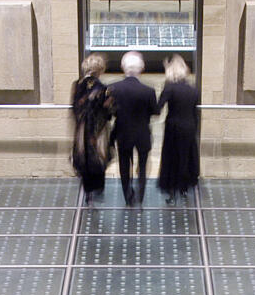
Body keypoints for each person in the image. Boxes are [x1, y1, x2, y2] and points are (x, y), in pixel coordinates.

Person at [106, 50, 159, 206]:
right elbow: (155, 111)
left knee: (124, 165)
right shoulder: (148, 91)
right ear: (141, 68)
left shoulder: (113, 88)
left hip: (122, 132)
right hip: (142, 133)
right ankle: (141, 195)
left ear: (124, 68)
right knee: (142, 166)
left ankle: (128, 196)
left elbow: (110, 111)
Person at [156, 55, 200, 204]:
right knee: (186, 157)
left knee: (172, 157)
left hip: (174, 126)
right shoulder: (193, 89)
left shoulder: (170, 88)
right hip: (190, 126)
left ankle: (172, 190)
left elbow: (158, 107)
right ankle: (184, 187)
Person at [70, 53, 113, 200]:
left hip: (81, 131)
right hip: (97, 132)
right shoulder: (104, 89)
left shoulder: (77, 86)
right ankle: (97, 189)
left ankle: (87, 190)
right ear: (100, 69)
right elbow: (108, 112)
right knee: (98, 159)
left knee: (83, 158)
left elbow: (75, 108)